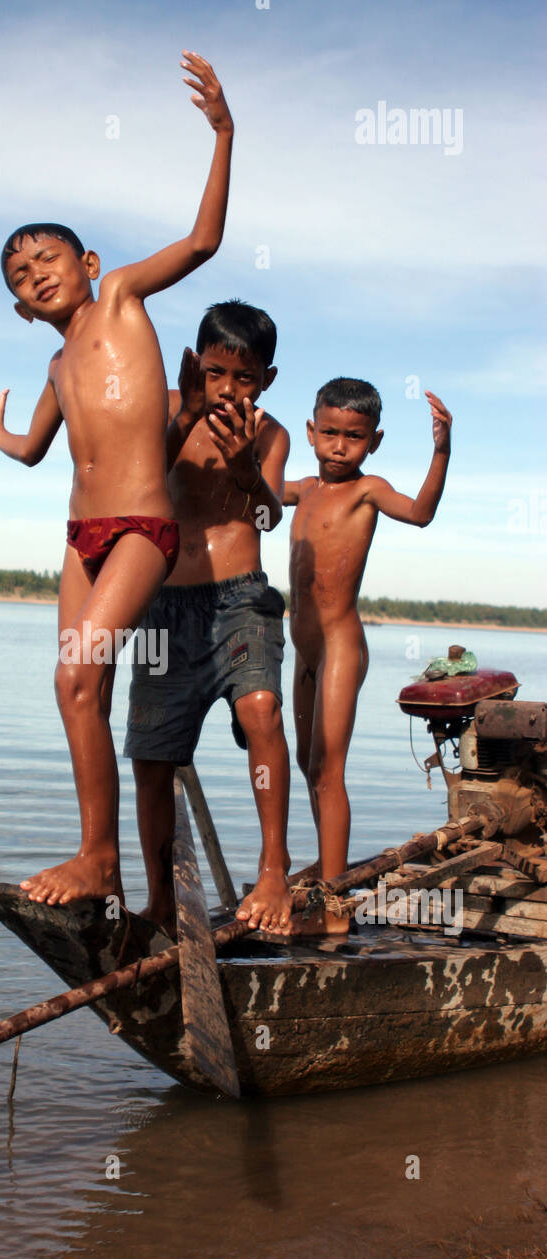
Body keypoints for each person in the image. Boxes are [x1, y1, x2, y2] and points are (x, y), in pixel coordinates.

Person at [0, 53, 234, 907]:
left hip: (144, 526)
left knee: (77, 676)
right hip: (80, 538)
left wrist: (222, 133)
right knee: (80, 688)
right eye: (20, 277)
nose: (36, 274)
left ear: (88, 260)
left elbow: (204, 241)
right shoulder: (57, 361)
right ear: (20, 306)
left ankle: (98, 861)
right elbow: (38, 450)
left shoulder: (118, 300)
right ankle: (102, 863)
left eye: (46, 258)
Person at [125, 300, 292, 932]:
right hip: (164, 602)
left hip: (240, 596)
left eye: (243, 378)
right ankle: (160, 901)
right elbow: (140, 479)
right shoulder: (167, 409)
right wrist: (187, 414)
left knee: (261, 711)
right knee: (150, 750)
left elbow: (269, 516)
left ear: (266, 380)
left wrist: (250, 470)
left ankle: (273, 871)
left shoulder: (269, 433)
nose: (227, 389)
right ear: (195, 364)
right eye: (215, 372)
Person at [285, 377, 452, 932]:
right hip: (303, 652)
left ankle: (334, 905)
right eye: (328, 433)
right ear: (311, 432)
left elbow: (422, 513)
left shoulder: (367, 489)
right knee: (310, 768)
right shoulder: (304, 489)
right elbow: (252, 493)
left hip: (339, 647)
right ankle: (327, 868)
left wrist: (441, 450)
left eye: (352, 437)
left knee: (329, 769)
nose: (338, 446)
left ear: (373, 441)